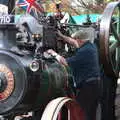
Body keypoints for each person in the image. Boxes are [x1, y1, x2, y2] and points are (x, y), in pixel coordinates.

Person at [45, 27, 100, 120]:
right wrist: (61, 36)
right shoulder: (91, 46)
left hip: (88, 87)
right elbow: (73, 42)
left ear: (79, 40)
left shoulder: (83, 52)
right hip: (95, 85)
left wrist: (53, 54)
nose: (74, 42)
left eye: (76, 40)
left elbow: (65, 62)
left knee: (83, 113)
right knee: (91, 113)